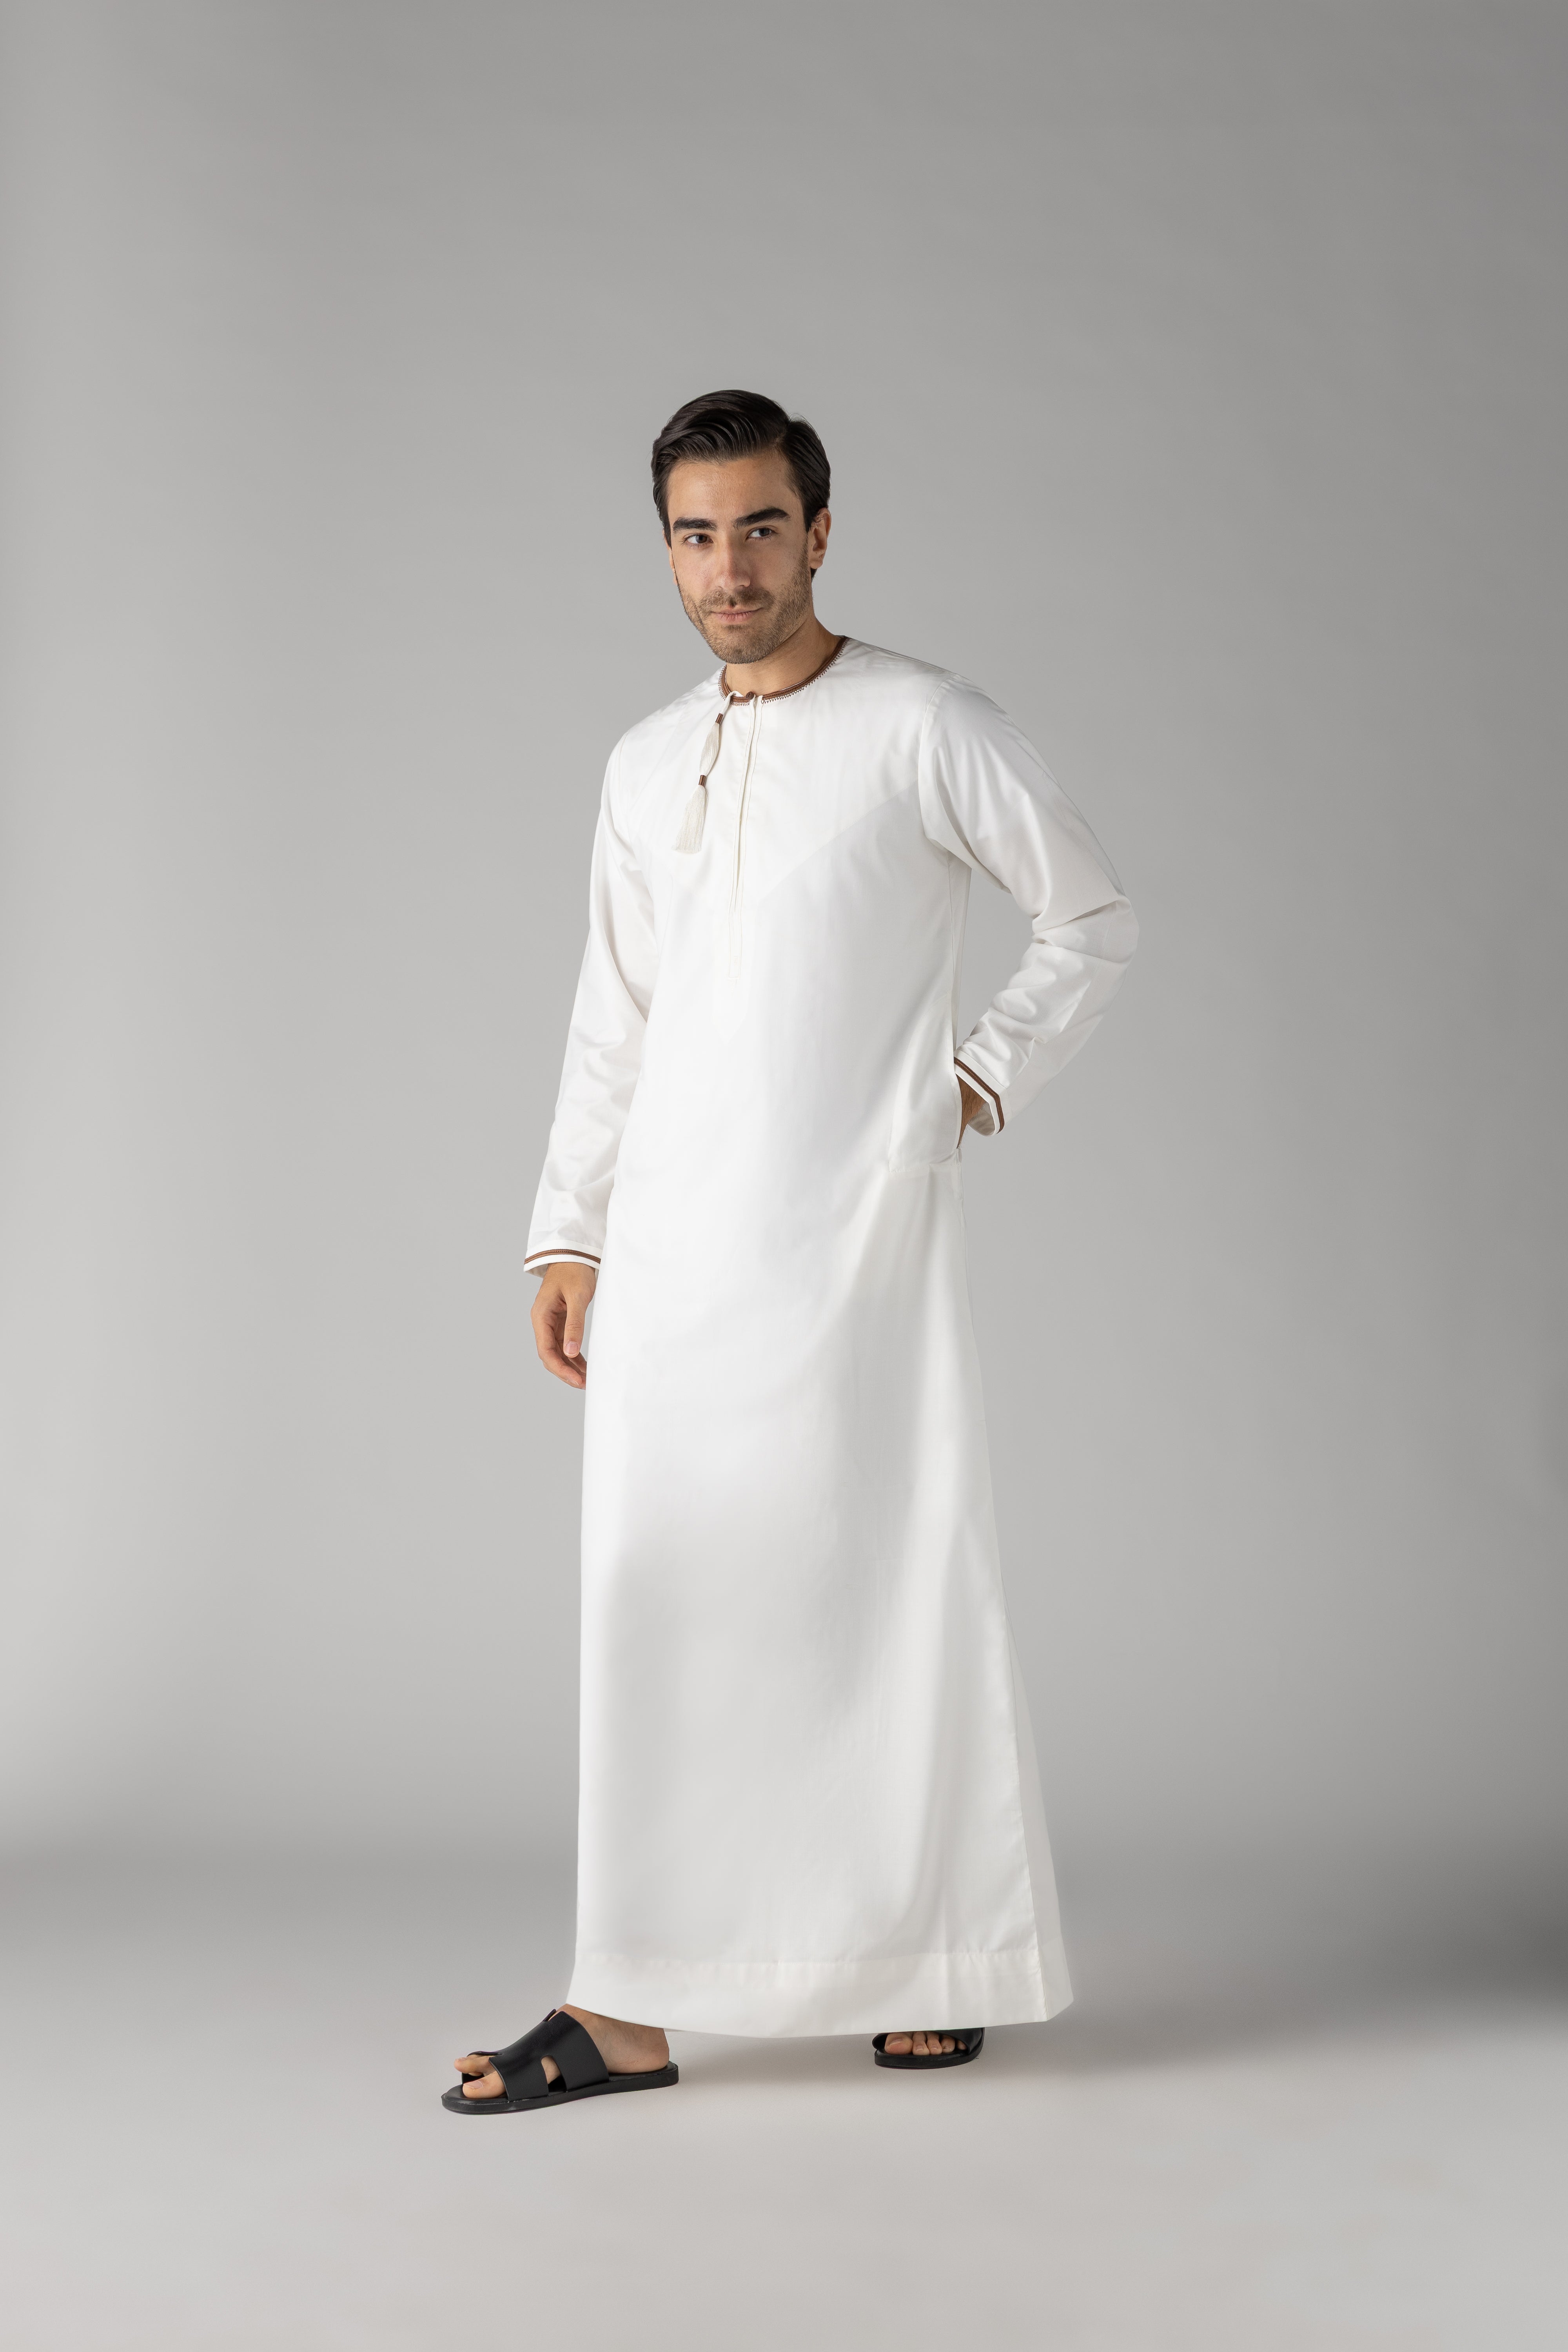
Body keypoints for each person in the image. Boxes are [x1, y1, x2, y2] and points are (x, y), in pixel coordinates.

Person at [444, 389, 1137, 2114]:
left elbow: (1090, 917)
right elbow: (614, 1011)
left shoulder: (924, 724)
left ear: (820, 532)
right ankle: (627, 2004)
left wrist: (975, 1081)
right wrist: (570, 1229)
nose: (729, 568)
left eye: (760, 527)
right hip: (671, 1253)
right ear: (666, 551)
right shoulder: (640, 760)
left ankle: (935, 1960)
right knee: (661, 1601)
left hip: (854, 1241)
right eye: (695, 535)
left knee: (883, 1583)